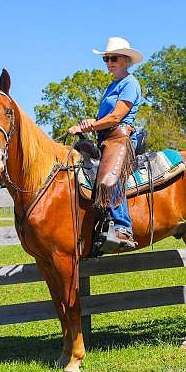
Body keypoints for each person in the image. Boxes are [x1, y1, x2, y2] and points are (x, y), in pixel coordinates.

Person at [69, 37, 144, 248]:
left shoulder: (130, 83)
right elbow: (105, 118)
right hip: (106, 138)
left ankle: (123, 228)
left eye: (113, 58)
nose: (109, 61)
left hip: (121, 138)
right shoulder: (113, 85)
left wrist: (88, 127)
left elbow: (115, 118)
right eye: (106, 58)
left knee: (109, 176)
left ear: (126, 60)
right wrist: (91, 123)